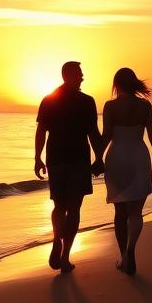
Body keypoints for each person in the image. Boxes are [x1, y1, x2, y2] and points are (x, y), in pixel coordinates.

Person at [34, 61, 105, 273]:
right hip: (77, 159)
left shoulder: (49, 99)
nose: (83, 77)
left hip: (56, 158)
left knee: (59, 205)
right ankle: (65, 256)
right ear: (70, 76)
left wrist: (37, 157)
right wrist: (100, 157)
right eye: (80, 74)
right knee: (73, 208)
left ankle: (57, 239)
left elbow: (41, 131)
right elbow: (93, 133)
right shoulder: (87, 101)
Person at [100, 67, 152, 276]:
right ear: (134, 83)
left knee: (120, 212)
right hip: (139, 157)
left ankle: (124, 256)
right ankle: (131, 250)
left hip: (117, 158)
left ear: (117, 85)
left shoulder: (110, 106)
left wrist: (96, 159)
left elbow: (107, 135)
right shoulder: (145, 106)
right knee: (135, 212)